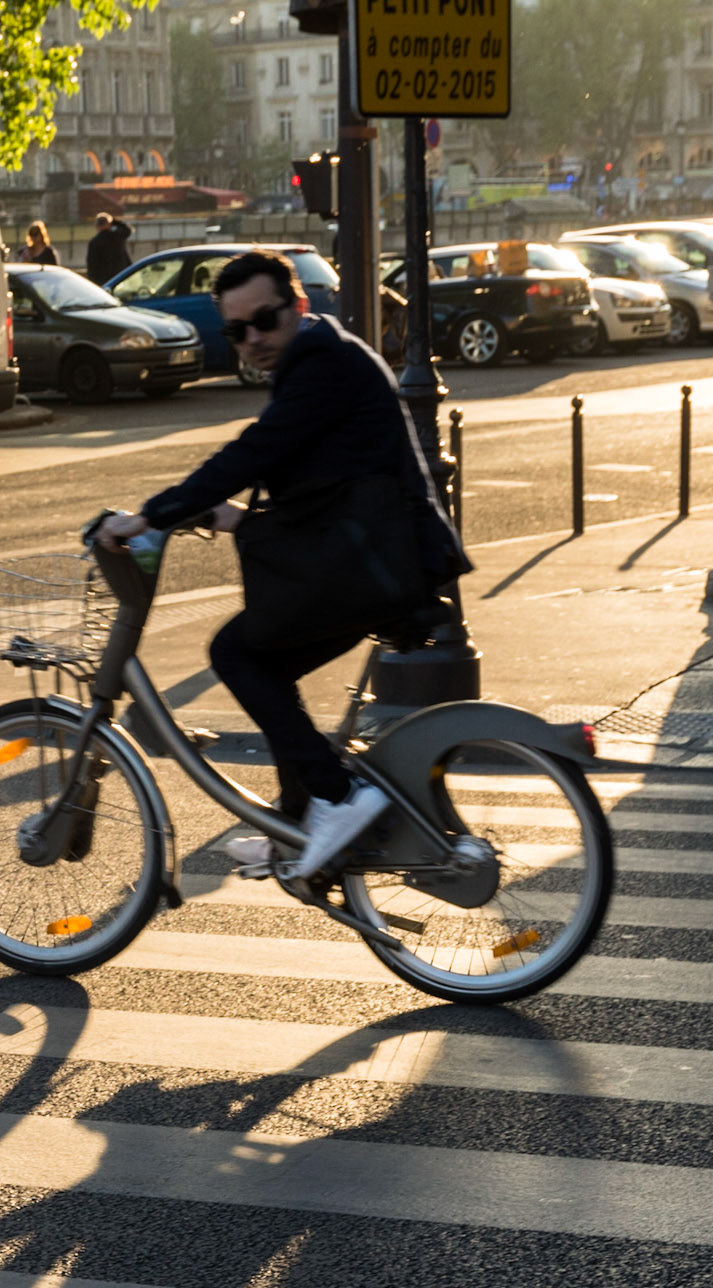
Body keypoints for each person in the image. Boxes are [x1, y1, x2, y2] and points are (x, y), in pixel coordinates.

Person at [98, 248, 470, 881]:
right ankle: (295, 824)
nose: (252, 340)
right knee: (266, 665)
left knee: (237, 654)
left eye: (264, 320)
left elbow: (258, 449)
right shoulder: (317, 358)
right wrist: (233, 517)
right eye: (236, 331)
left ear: (299, 306)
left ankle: (337, 797)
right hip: (366, 557)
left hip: (373, 567)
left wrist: (149, 516)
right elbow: (322, 477)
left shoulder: (322, 362)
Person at [85, 212, 132, 287]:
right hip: (121, 277)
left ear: (97, 226)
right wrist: (113, 220)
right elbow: (128, 229)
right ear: (110, 224)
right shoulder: (118, 237)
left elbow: (92, 265)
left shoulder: (95, 242)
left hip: (105, 281)